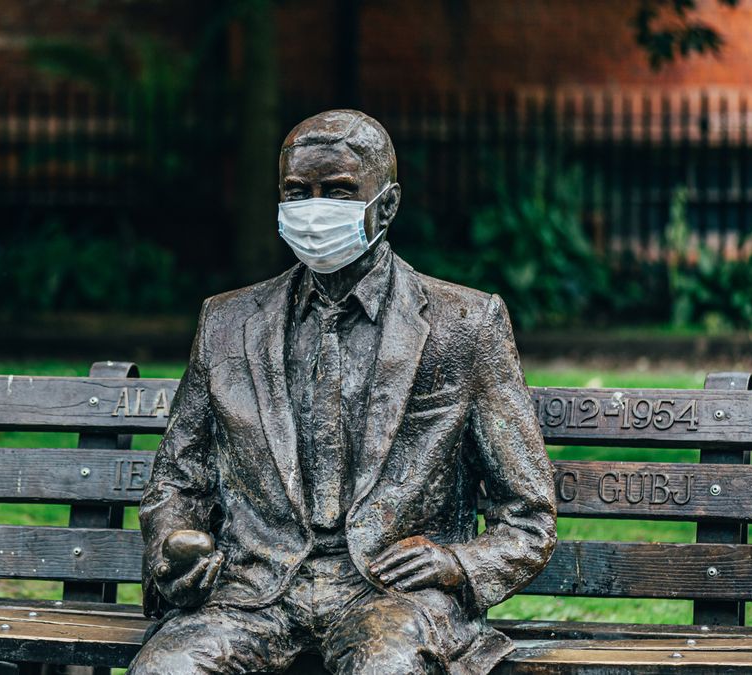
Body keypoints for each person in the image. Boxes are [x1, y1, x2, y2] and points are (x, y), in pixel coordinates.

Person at [129, 109, 556, 675]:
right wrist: (176, 544)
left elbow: (529, 515)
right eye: (296, 191)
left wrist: (458, 562)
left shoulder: (466, 325)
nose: (313, 208)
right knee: (168, 668)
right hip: (254, 592)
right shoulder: (226, 322)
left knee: (386, 667)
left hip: (391, 598)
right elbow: (177, 481)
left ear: (388, 204)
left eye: (337, 190)